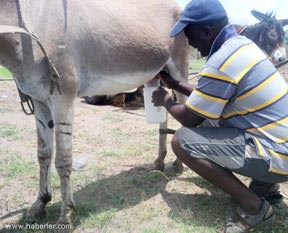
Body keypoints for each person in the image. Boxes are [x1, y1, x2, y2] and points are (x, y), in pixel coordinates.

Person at [152, 0, 288, 232]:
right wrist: (177, 84)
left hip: (277, 155)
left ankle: (256, 208)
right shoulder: (241, 46)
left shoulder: (222, 61)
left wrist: (165, 100)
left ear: (206, 32)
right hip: (280, 145)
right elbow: (210, 95)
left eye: (189, 35)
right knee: (213, 117)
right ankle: (266, 187)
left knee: (183, 142)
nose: (189, 42)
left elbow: (190, 117)